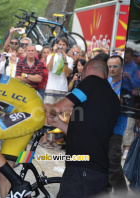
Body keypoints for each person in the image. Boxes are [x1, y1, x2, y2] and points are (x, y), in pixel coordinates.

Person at [45, 58, 120, 197]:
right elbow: (86, 132)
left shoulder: (90, 82)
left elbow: (58, 107)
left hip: (81, 169)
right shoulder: (113, 98)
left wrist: (49, 109)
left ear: (88, 69)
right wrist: (57, 123)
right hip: (99, 170)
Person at [106, 55, 128, 195]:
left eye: (115, 66)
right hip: (103, 127)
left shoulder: (126, 85)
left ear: (122, 67)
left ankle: (122, 194)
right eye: (109, 66)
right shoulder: (106, 81)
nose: (112, 69)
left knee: (113, 164)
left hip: (117, 128)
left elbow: (119, 103)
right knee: (102, 163)